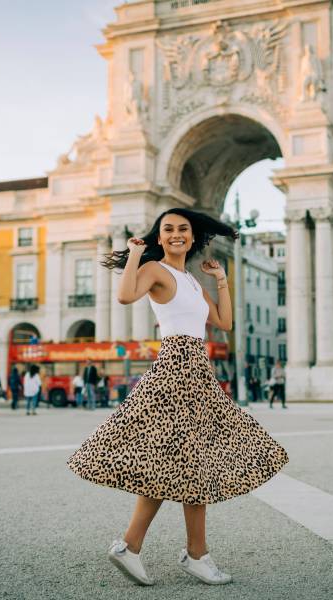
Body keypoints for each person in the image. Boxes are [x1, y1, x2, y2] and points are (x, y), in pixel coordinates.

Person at [67, 208, 289, 586]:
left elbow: (224, 322)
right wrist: (135, 253)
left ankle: (137, 546)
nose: (175, 234)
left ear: (192, 236)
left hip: (196, 370)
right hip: (177, 366)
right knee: (192, 464)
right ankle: (192, 554)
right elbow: (124, 296)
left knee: (180, 466)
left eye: (182, 229)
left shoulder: (189, 279)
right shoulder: (157, 271)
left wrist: (221, 280)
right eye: (167, 229)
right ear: (160, 237)